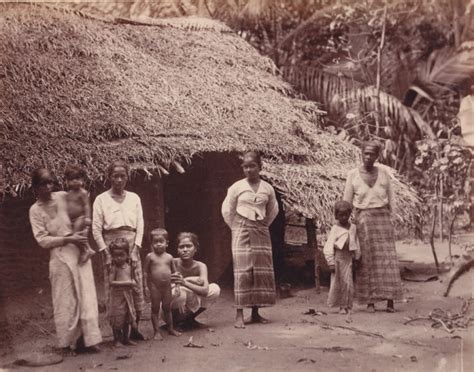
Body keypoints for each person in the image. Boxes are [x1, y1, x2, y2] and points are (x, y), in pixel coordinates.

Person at [29, 168, 102, 354]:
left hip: (79, 252)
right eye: (43, 184)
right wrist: (67, 239)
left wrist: (82, 232)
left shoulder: (63, 196)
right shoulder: (35, 210)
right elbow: (42, 239)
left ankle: (88, 341)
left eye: (50, 182)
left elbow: (83, 207)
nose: (48, 187)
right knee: (65, 300)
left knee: (86, 296)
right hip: (60, 256)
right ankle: (67, 343)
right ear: (35, 187)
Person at [343, 141, 403, 313]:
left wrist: (393, 219)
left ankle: (390, 300)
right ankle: (370, 301)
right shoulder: (352, 174)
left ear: (378, 156)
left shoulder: (384, 172)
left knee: (387, 260)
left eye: (372, 154)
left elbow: (391, 198)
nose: (368, 157)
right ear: (361, 154)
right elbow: (347, 202)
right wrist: (346, 226)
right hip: (363, 221)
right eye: (365, 153)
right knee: (366, 261)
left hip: (383, 219)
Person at [221, 151, 279, 329]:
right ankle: (239, 314)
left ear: (260, 167)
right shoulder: (237, 187)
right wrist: (238, 227)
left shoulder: (267, 188)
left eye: (252, 166)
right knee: (243, 271)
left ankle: (255, 313)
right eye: (245, 166)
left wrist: (262, 225)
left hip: (261, 229)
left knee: (260, 271)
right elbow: (227, 210)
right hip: (241, 229)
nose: (249, 169)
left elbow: (273, 210)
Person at [92, 160, 145, 340]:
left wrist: (135, 249)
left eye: (123, 176)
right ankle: (117, 334)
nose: (119, 180)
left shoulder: (134, 198)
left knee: (135, 286)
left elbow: (140, 225)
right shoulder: (101, 199)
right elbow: (96, 229)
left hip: (131, 245)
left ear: (127, 177)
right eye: (115, 176)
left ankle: (133, 330)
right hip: (112, 247)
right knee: (114, 291)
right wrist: (106, 253)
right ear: (109, 177)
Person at [171, 232, 220, 328]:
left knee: (215, 289)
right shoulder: (172, 263)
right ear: (177, 250)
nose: (185, 250)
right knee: (180, 293)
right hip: (172, 305)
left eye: (189, 246)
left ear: (195, 249)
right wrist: (193, 280)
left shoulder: (200, 266)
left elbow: (205, 291)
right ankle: (174, 322)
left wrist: (185, 282)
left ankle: (189, 320)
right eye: (181, 247)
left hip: (190, 299)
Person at [323, 200, 360, 315]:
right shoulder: (335, 228)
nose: (344, 217)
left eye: (346, 214)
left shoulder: (353, 227)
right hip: (338, 258)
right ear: (336, 215)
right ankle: (341, 306)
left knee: (348, 282)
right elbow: (328, 246)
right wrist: (331, 262)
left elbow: (356, 242)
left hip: (348, 258)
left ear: (350, 214)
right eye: (341, 215)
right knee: (338, 283)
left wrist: (357, 257)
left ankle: (348, 305)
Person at [143, 228, 181, 340]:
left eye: (161, 241)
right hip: (155, 287)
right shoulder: (150, 256)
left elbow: (175, 273)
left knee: (167, 308)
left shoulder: (169, 257)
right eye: (155, 242)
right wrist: (145, 286)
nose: (158, 244)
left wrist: (177, 286)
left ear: (167, 243)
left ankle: (170, 328)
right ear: (151, 244)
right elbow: (145, 272)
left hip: (167, 287)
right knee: (155, 308)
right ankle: (156, 332)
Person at [108, 238, 138, 347]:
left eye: (122, 255)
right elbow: (111, 282)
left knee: (127, 317)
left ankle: (126, 338)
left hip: (127, 296)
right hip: (117, 297)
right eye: (115, 255)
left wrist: (133, 282)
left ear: (127, 254)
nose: (119, 258)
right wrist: (127, 283)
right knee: (117, 317)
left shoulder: (129, 267)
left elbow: (132, 279)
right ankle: (117, 340)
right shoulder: (114, 268)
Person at [64, 165, 96, 265]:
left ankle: (87, 249)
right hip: (72, 220)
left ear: (82, 179)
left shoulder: (83, 193)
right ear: (67, 181)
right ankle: (85, 249)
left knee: (75, 235)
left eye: (77, 179)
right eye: (71, 179)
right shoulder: (68, 194)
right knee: (75, 236)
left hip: (80, 218)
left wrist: (87, 217)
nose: (75, 181)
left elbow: (86, 205)